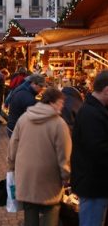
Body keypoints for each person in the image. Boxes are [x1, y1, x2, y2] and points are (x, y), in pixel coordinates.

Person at [7, 88, 72, 226]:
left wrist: (11, 166)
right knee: (51, 209)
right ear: (53, 102)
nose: (62, 106)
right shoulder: (59, 124)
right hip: (49, 178)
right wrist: (66, 176)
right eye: (60, 103)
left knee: (30, 209)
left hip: (25, 175)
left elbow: (13, 145)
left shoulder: (24, 118)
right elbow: (64, 155)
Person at [71, 70, 108, 226]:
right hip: (93, 186)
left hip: (95, 184)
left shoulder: (95, 109)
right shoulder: (91, 114)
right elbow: (98, 151)